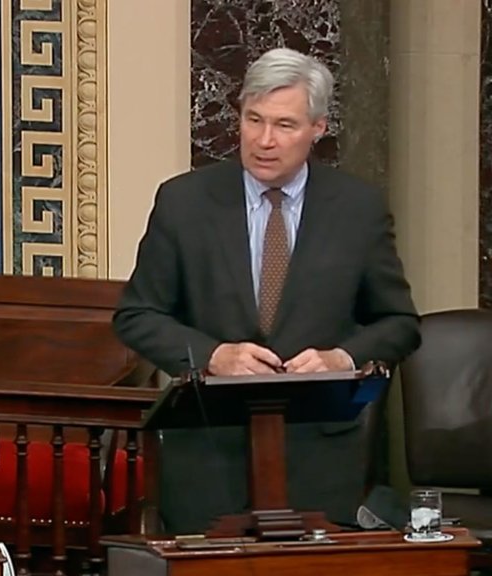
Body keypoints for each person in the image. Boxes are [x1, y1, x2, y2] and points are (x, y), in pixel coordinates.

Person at [113, 48, 420, 534]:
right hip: (209, 452)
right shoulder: (183, 202)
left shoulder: (358, 209)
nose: (263, 141)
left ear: (318, 128)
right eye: (253, 120)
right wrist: (213, 354)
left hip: (319, 456)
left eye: (284, 125)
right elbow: (137, 315)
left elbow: (399, 323)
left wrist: (341, 357)